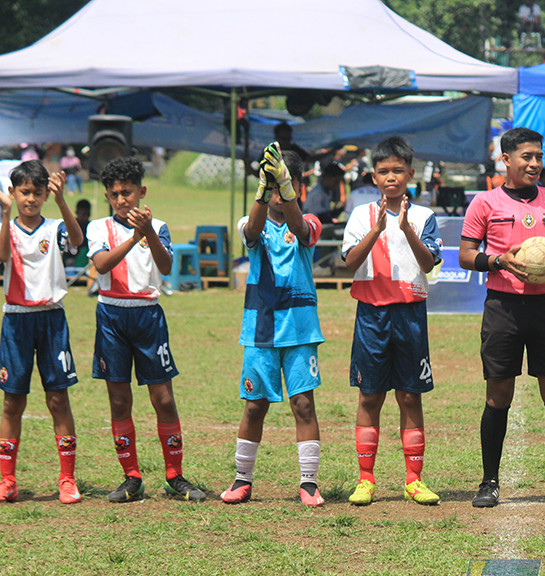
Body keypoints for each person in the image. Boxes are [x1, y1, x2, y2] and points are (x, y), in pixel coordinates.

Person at [458, 126, 545, 508]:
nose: (534, 164)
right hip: (503, 308)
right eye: (526, 157)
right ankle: (489, 482)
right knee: (498, 396)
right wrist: (499, 260)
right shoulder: (485, 204)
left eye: (538, 157)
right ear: (506, 160)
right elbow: (466, 255)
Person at [87, 157, 205, 503]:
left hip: (148, 316)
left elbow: (166, 267)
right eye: (113, 194)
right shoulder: (99, 228)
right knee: (120, 399)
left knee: (163, 398)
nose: (121, 200)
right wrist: (133, 237)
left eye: (127, 192)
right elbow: (102, 264)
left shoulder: (160, 226)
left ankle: (175, 476)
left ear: (142, 191)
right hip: (111, 315)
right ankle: (131, 477)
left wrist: (148, 232)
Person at [221, 145, 325, 507]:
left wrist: (285, 185)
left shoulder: (310, 221)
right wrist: (264, 191)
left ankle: (309, 482)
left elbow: (299, 228)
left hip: (299, 330)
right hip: (260, 329)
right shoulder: (254, 223)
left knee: (303, 405)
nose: (281, 194)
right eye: (276, 186)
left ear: (298, 187)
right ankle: (242, 479)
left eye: (288, 185)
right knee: (254, 405)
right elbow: (251, 231)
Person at [341, 136, 442, 507]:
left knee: (410, 394)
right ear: (373, 176)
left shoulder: (424, 216)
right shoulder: (360, 215)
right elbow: (349, 263)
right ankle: (365, 479)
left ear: (411, 174)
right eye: (384, 171)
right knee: (370, 395)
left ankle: (413, 479)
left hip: (410, 314)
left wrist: (406, 231)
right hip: (371, 314)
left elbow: (429, 264)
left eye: (398, 171)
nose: (391, 177)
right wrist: (378, 229)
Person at [0, 161, 84, 504]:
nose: (30, 199)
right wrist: (4, 216)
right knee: (12, 402)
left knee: (57, 399)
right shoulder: (7, 226)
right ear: (13, 193)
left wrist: (63, 201)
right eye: (24, 192)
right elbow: (2, 254)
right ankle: (7, 478)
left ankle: (67, 479)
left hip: (51, 319)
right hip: (16, 320)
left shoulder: (55, 227)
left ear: (45, 195)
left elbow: (77, 242)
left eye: (37, 192)